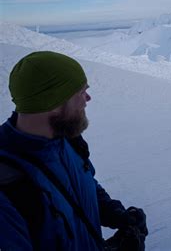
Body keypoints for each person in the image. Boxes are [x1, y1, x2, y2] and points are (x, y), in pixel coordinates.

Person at [0, 51, 148, 251]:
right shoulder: (8, 184)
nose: (88, 98)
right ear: (53, 101)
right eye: (80, 92)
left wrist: (114, 213)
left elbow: (84, 184)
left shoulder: (66, 138)